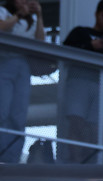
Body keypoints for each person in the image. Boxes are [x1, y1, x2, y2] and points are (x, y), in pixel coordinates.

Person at [61, 0, 103, 164]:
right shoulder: (80, 32)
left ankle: (90, 163)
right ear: (97, 14)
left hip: (101, 86)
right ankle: (75, 161)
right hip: (79, 81)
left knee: (95, 128)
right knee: (76, 122)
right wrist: (91, 46)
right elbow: (66, 51)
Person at [0, 0, 44, 163]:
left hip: (23, 66)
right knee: (2, 110)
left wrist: (39, 16)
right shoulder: (3, 12)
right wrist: (18, 15)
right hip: (3, 62)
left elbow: (40, 42)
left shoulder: (32, 20)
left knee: (18, 114)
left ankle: (12, 157)